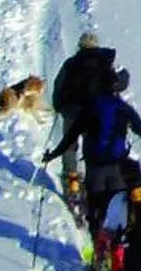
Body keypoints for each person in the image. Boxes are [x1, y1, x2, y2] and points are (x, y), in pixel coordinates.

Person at [41, 65, 141, 264]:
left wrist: (51, 155)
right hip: (118, 169)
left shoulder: (89, 107)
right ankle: (118, 257)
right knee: (118, 212)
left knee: (96, 211)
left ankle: (100, 254)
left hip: (95, 168)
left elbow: (70, 139)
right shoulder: (123, 108)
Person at [46, 32, 117, 199]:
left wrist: (59, 106)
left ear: (80, 46)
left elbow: (59, 85)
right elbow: (114, 84)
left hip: (72, 112)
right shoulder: (104, 62)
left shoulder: (70, 63)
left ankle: (72, 181)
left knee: (69, 146)